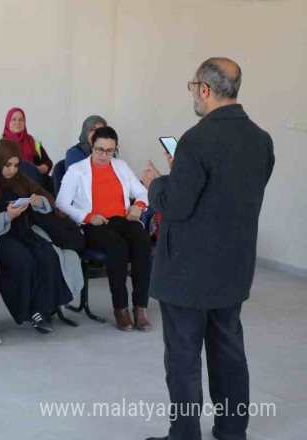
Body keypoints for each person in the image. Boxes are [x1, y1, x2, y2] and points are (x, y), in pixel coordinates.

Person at [142, 58, 274, 440]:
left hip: (187, 272)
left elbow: (175, 206)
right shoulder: (261, 139)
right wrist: (181, 170)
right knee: (228, 351)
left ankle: (184, 435)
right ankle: (232, 431)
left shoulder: (196, 139)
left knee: (183, 358)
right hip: (234, 268)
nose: (194, 95)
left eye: (193, 87)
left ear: (205, 89)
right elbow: (234, 190)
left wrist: (155, 183)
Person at [0, 139, 75, 334]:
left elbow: (46, 199)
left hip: (24, 230)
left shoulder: (22, 180)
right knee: (23, 261)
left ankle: (45, 307)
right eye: (8, 165)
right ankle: (32, 310)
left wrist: (38, 201)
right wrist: (6, 216)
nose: (12, 170)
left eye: (16, 165)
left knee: (48, 254)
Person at [56, 126, 152, 331]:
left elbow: (142, 193)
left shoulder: (121, 166)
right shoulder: (77, 170)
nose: (104, 155)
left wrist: (139, 206)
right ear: (91, 146)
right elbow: (62, 203)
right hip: (93, 224)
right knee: (117, 247)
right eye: (100, 149)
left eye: (110, 151)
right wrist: (88, 216)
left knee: (142, 242)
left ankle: (140, 308)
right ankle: (121, 309)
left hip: (122, 219)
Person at [0, 108, 55, 193]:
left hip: (32, 185)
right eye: (14, 119)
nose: (18, 123)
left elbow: (48, 162)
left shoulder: (33, 142)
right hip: (6, 185)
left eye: (21, 119)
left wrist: (41, 168)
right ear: (8, 122)